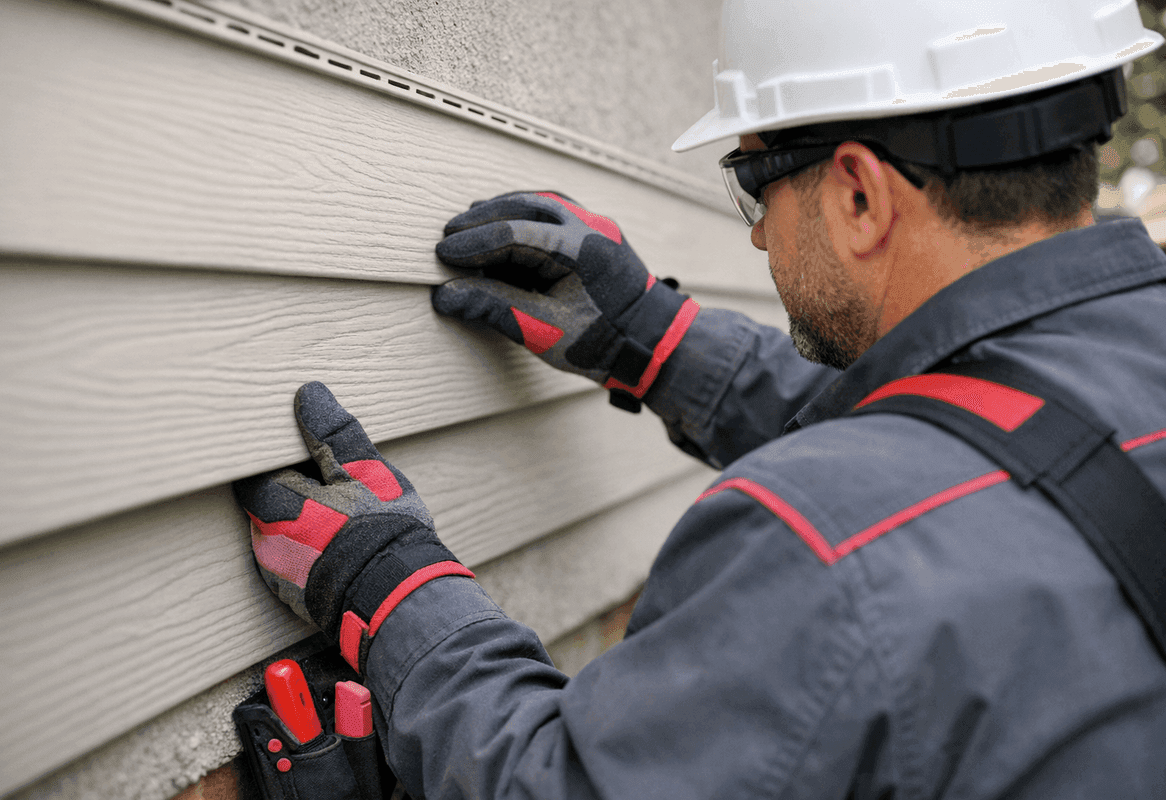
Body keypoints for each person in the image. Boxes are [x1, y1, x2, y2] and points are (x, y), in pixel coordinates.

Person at [232, 2, 1166, 796]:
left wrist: (395, 593)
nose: (759, 239)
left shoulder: (818, 540)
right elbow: (1004, 443)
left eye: (753, 183)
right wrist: (657, 342)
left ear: (859, 196)